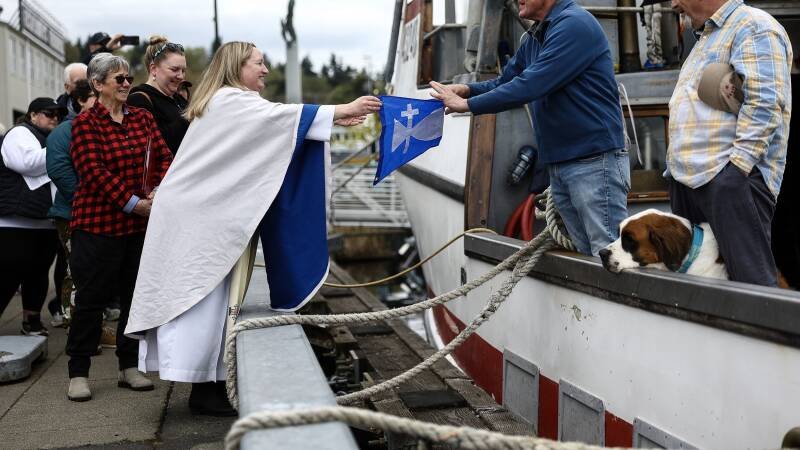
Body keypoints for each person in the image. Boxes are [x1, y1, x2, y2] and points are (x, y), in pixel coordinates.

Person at [124, 41, 381, 416]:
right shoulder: (231, 101)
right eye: (258, 63)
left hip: (200, 218)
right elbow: (282, 118)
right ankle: (204, 389)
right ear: (237, 66)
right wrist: (344, 109)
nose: (265, 70)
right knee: (201, 303)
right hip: (198, 221)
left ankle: (210, 384)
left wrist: (330, 121)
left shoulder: (228, 101)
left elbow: (277, 125)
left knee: (209, 302)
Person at [429, 0, 628, 256]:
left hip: (593, 162)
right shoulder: (536, 35)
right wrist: (467, 90)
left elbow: (531, 84)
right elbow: (506, 82)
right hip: (563, 162)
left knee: (609, 254)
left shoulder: (574, 25)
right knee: (586, 254)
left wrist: (467, 105)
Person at [65, 53, 173, 402]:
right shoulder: (86, 123)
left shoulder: (142, 117)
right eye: (119, 79)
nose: (127, 84)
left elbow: (165, 157)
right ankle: (78, 372)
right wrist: (134, 203)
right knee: (90, 301)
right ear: (98, 84)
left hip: (138, 228)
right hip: (97, 226)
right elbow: (93, 172)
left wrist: (157, 190)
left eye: (129, 78)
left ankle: (129, 366)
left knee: (134, 299)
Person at [666, 0, 791, 287]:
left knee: (751, 285)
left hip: (728, 179)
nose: (672, 4)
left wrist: (736, 171)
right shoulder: (706, 37)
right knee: (700, 286)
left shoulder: (754, 26)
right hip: (693, 180)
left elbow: (765, 103)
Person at [0, 98, 64, 335]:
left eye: (58, 114)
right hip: (15, 221)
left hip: (44, 220)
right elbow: (27, 162)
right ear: (33, 115)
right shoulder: (20, 133)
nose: (55, 118)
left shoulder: (50, 139)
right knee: (7, 275)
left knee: (38, 274)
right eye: (49, 113)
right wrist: (61, 149)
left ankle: (32, 321)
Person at [127, 36, 190, 155]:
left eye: (183, 71)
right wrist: (189, 117)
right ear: (154, 69)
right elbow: (154, 145)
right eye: (174, 69)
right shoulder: (138, 100)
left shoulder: (178, 99)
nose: (181, 76)